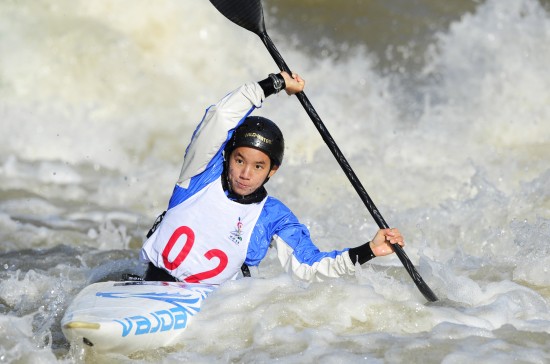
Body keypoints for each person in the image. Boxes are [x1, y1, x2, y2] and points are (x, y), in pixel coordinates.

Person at [140, 71, 405, 284]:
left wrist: (369, 249)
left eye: (258, 166)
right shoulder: (198, 174)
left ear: (272, 171)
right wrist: (274, 83)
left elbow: (309, 267)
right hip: (150, 282)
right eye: (240, 160)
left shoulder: (273, 216)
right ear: (227, 156)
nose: (245, 174)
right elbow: (221, 117)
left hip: (202, 310)